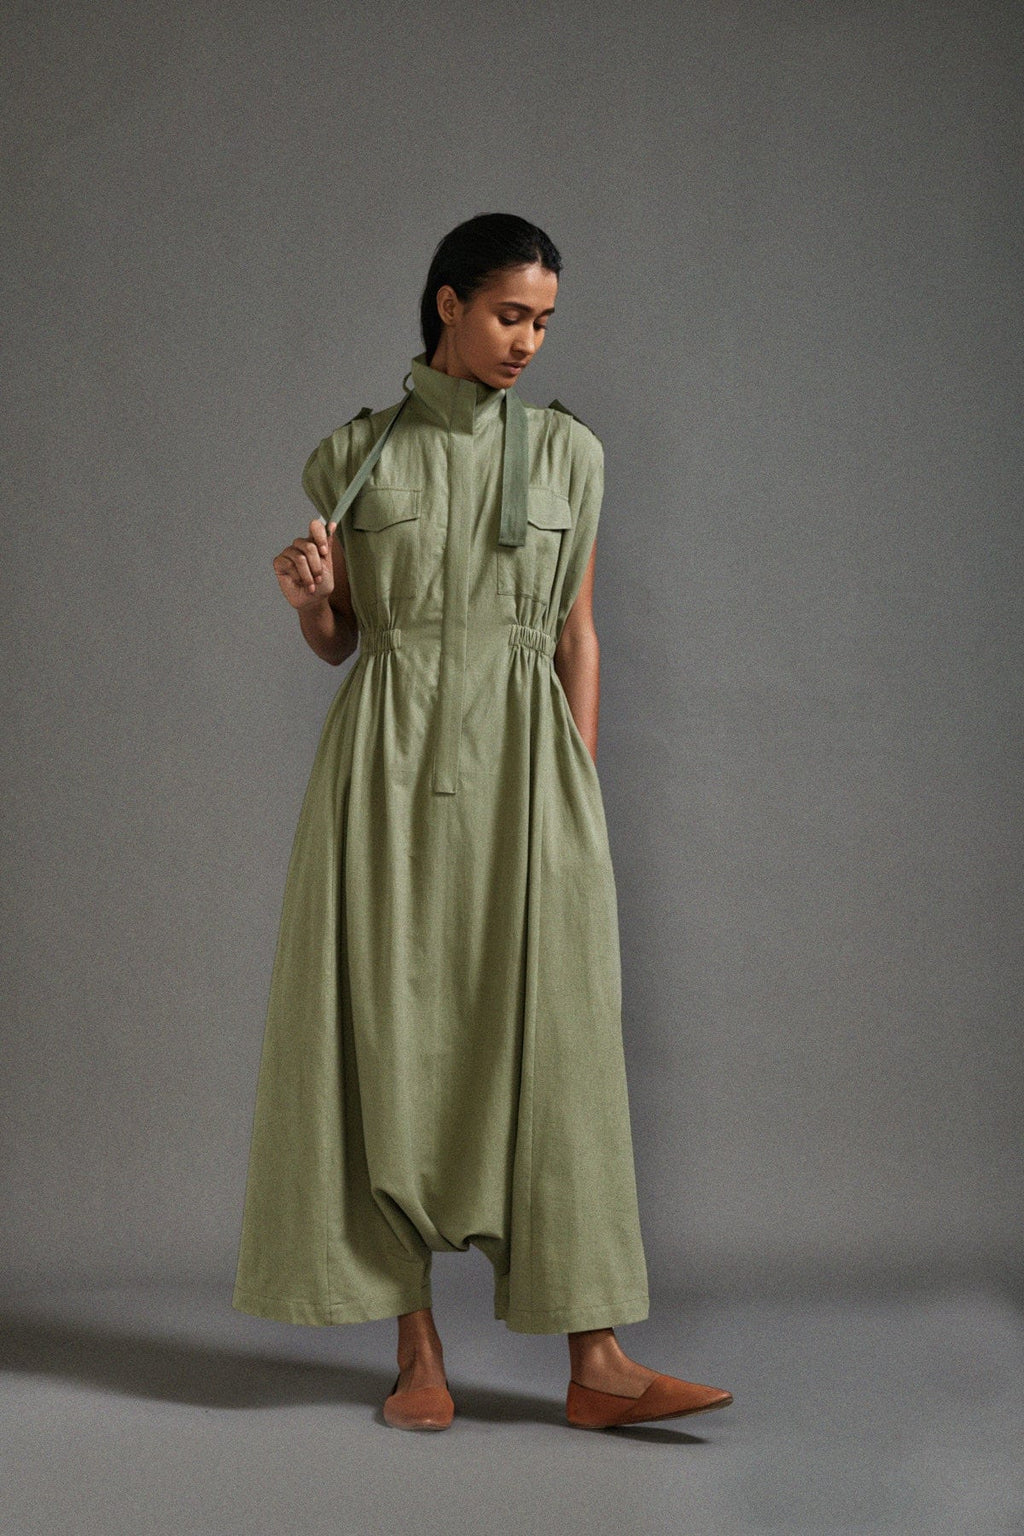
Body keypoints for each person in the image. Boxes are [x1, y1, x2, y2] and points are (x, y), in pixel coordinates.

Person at [232, 213, 733, 1432]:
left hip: (527, 770)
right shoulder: (354, 457)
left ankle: (597, 1359)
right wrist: (308, 606)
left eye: (544, 322)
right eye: (511, 314)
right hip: (385, 768)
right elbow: (343, 641)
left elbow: (577, 635)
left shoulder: (570, 454)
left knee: (556, 1046)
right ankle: (416, 1352)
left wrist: (576, 782)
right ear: (448, 303)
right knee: (386, 1035)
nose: (528, 342)